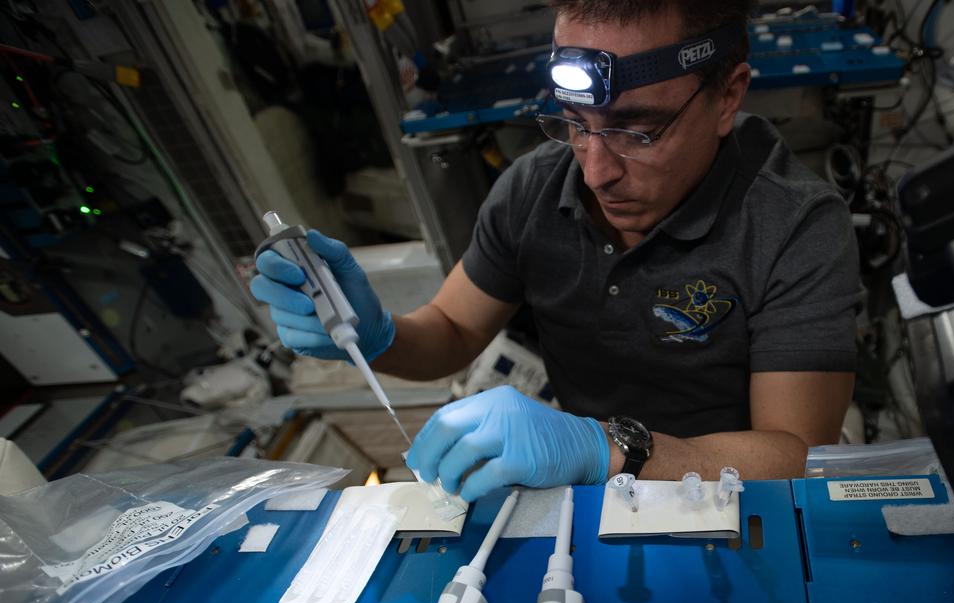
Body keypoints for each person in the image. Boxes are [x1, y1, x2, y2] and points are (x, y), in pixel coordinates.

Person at [252, 0, 862, 502]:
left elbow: (797, 454)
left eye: (637, 131)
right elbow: (453, 329)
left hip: (730, 496)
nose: (596, 172)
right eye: (574, 122)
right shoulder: (533, 187)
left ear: (728, 96)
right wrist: (376, 334)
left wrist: (607, 447)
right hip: (581, 482)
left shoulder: (795, 225)